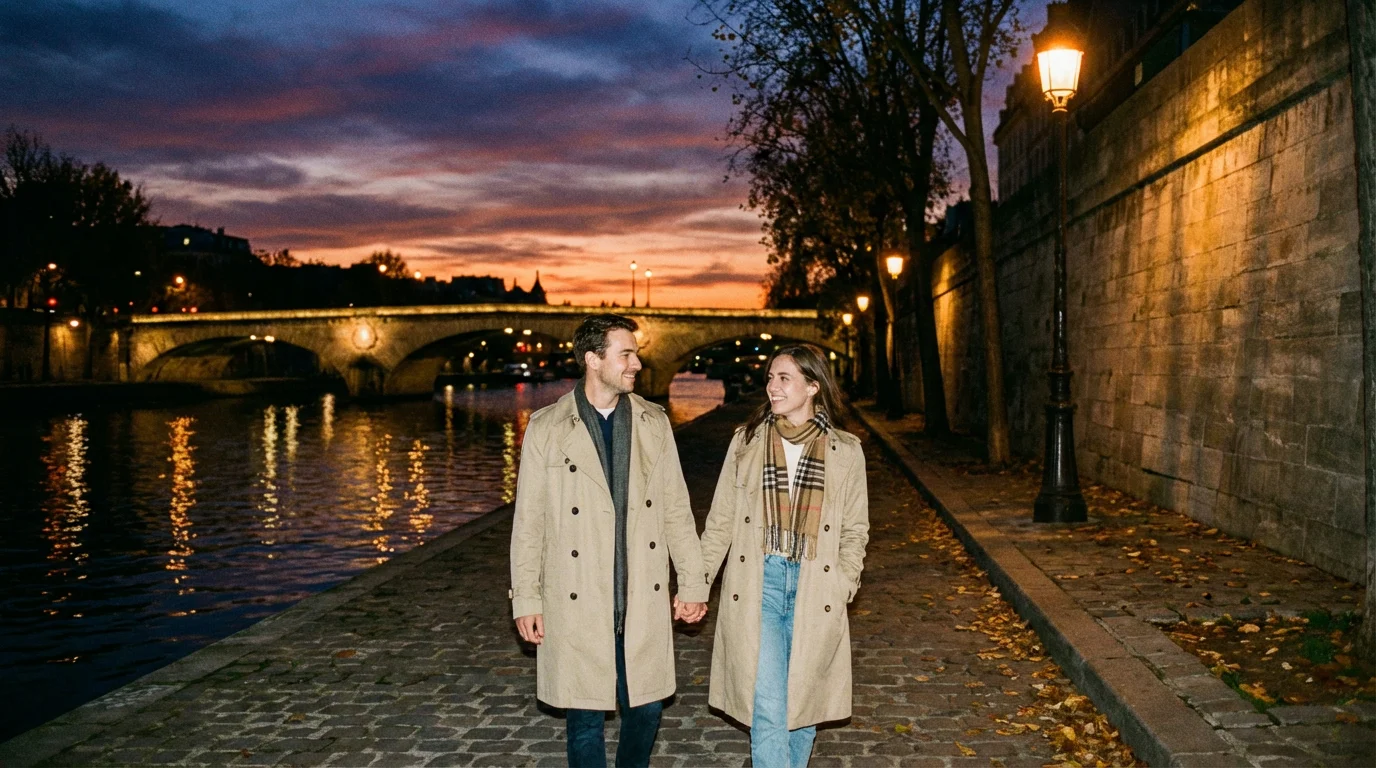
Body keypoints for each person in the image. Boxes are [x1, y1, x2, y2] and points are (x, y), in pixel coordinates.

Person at [509, 313, 708, 768]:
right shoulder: (546, 427)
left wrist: (693, 584)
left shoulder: (654, 423)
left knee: (647, 707)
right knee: (584, 717)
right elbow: (529, 523)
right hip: (577, 594)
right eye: (626, 354)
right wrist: (527, 598)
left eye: (635, 353)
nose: (637, 362)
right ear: (593, 360)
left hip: (640, 590)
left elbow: (677, 507)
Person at [700, 344, 870, 768]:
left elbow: (855, 529)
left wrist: (845, 581)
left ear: (813, 386)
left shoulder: (845, 450)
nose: (772, 387)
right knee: (770, 705)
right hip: (762, 581)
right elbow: (720, 520)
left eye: (784, 379)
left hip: (817, 584)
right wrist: (696, 582)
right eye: (771, 378)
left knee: (804, 704)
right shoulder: (748, 441)